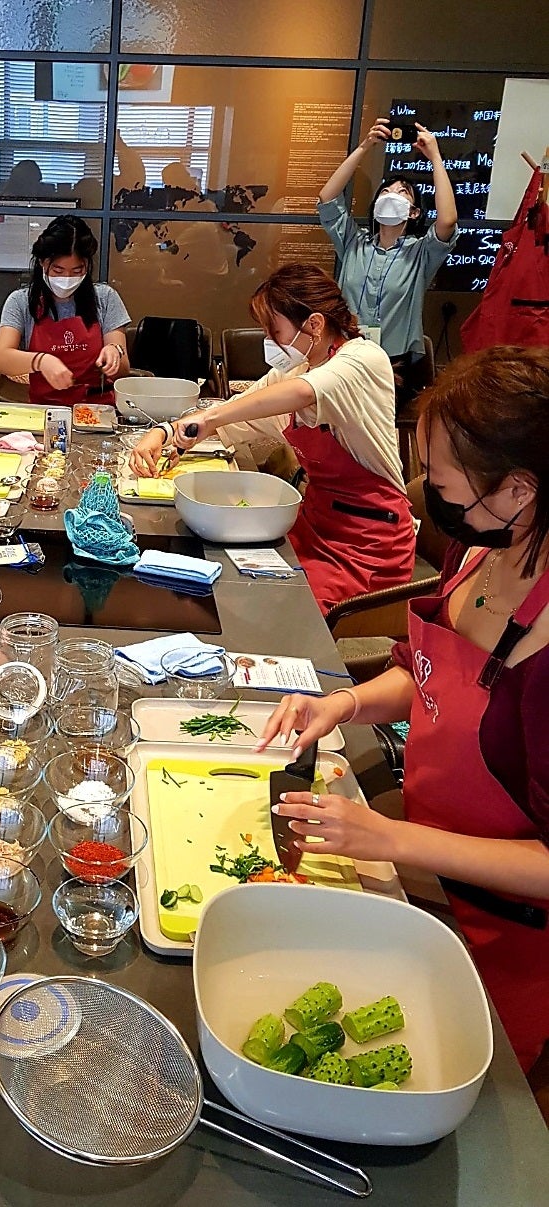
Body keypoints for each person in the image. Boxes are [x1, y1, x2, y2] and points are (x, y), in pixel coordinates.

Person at [263, 345, 549, 1076]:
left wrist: (389, 839)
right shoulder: (478, 552)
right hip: (411, 861)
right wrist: (345, 702)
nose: (429, 492)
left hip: (500, 934)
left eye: (445, 481)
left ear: (517, 489)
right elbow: (420, 674)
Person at [130, 264, 416, 613]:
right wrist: (165, 434)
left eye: (274, 329)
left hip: (369, 544)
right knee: (230, 586)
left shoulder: (363, 358)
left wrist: (209, 418)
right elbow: (234, 410)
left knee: (275, 611)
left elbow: (300, 394)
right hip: (313, 525)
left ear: (314, 324)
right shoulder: (295, 370)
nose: (269, 340)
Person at [318, 117, 459, 406]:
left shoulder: (420, 253)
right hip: (345, 356)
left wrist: (435, 157)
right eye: (386, 192)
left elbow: (447, 220)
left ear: (414, 213)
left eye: (402, 193)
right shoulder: (354, 243)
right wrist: (365, 146)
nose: (392, 196)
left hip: (395, 365)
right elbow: (327, 197)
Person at [0, 215, 131, 407]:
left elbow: (123, 368)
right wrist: (42, 361)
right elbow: (0, 359)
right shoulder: (20, 301)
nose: (67, 278)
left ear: (88, 266)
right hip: (44, 409)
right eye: (58, 271)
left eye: (77, 271)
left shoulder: (106, 298)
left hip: (97, 410)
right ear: (42, 262)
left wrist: (114, 354)